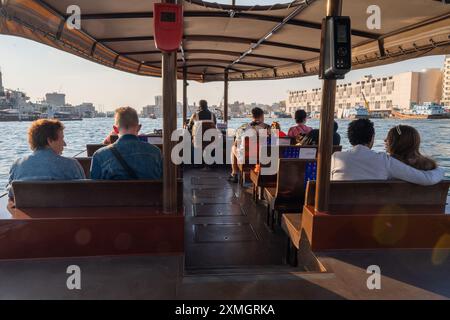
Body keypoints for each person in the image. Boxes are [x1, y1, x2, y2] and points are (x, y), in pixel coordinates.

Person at [331, 119, 444, 185]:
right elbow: (427, 179)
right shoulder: (385, 161)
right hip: (374, 217)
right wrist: (440, 169)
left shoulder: (336, 158)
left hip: (338, 215)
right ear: (372, 138)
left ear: (350, 139)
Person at [7, 119, 85, 199]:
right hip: (63, 210)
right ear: (50, 140)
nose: (65, 144)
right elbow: (84, 192)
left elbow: (11, 194)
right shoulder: (71, 165)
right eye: (62, 139)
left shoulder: (16, 165)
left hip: (28, 211)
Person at [90, 107, 162, 180]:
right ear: (139, 128)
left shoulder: (100, 156)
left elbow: (94, 188)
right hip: (149, 192)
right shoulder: (156, 153)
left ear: (115, 129)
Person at [228, 107, 270, 182]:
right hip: (263, 158)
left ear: (252, 116)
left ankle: (234, 173)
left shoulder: (243, 127)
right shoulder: (268, 128)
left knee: (233, 147)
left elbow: (236, 143)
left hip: (246, 158)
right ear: (262, 116)